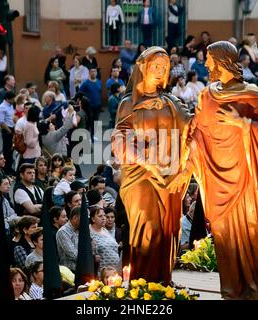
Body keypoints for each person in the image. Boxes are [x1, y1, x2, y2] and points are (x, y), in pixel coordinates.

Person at [177, 41, 258, 299]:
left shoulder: (252, 94)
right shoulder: (206, 95)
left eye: (210, 60)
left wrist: (244, 123)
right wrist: (187, 161)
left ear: (224, 61)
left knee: (254, 234)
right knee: (224, 238)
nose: (207, 65)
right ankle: (232, 290)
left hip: (246, 179)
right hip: (217, 181)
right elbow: (197, 134)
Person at [111, 46, 192, 284]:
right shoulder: (129, 104)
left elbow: (191, 127)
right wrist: (148, 163)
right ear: (143, 68)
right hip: (141, 177)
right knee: (147, 228)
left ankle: (163, 280)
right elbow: (120, 139)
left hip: (170, 177)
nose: (160, 71)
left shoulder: (172, 102)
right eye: (155, 66)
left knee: (169, 230)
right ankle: (144, 284)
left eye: (164, 68)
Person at [89, 206, 120, 275]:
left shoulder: (105, 230)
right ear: (93, 219)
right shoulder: (89, 232)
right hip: (102, 273)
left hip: (115, 271)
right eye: (100, 216)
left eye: (104, 216)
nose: (103, 218)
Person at [0, 91, 17, 175]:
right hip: (7, 130)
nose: (14, 100)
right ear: (8, 99)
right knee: (7, 150)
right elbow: (1, 122)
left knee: (11, 150)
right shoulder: (2, 107)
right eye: (13, 99)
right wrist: (10, 131)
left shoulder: (11, 105)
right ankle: (6, 169)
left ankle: (9, 167)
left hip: (13, 128)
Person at [56, 206, 80, 272]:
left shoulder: (82, 230)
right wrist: (89, 257)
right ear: (75, 218)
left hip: (83, 268)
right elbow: (73, 254)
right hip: (70, 271)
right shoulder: (63, 232)